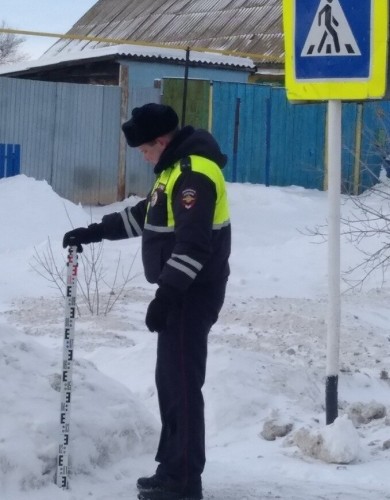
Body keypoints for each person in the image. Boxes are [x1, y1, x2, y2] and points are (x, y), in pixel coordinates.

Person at [62, 103, 231, 500]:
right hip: (181, 293)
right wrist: (94, 231)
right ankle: (172, 467)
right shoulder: (173, 171)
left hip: (190, 294)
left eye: (143, 149)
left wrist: (166, 295)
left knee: (183, 387)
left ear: (160, 141)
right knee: (171, 383)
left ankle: (185, 480)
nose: (142, 155)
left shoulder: (194, 176)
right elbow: (145, 216)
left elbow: (194, 244)